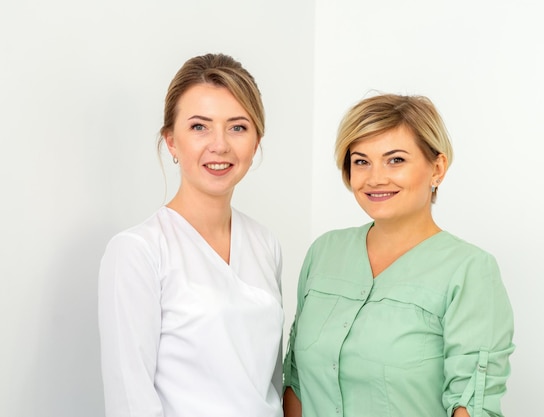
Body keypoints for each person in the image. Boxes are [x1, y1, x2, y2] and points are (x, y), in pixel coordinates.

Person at [283, 93, 514, 417]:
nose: (376, 178)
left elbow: (470, 405)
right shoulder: (324, 253)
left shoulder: (469, 270)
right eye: (361, 161)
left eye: (396, 160)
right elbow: (296, 382)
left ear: (437, 168)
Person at [98, 53, 284, 417]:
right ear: (171, 141)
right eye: (200, 126)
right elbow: (130, 401)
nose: (220, 145)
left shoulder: (266, 244)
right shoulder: (138, 251)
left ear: (256, 141)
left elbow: (270, 380)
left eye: (238, 127)